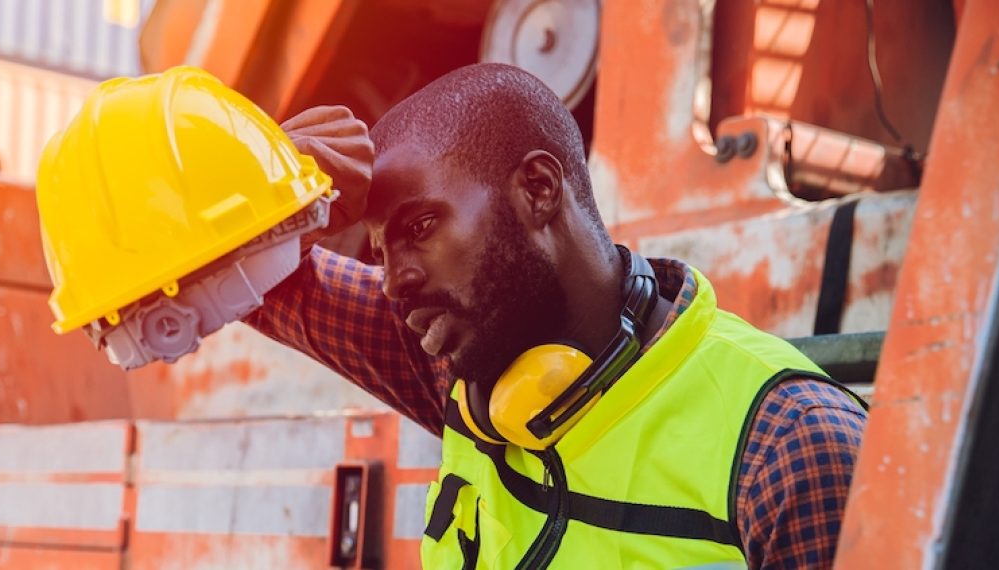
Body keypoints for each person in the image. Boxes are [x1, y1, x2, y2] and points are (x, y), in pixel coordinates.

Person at [255, 63, 868, 568]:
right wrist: (267, 190)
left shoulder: (789, 448)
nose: (393, 282)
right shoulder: (461, 368)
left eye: (420, 227)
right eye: (381, 251)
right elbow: (237, 286)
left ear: (539, 190)